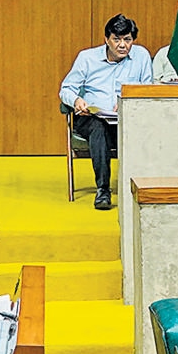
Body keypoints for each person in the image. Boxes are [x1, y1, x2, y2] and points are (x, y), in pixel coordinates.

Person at [59, 14, 153, 210]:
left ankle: (145, 186)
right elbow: (65, 89)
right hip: (90, 118)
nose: (122, 45)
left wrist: (131, 102)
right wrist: (77, 100)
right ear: (106, 39)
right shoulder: (87, 58)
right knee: (98, 126)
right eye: (116, 39)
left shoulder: (141, 56)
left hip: (126, 118)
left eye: (127, 39)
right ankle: (103, 189)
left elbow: (148, 90)